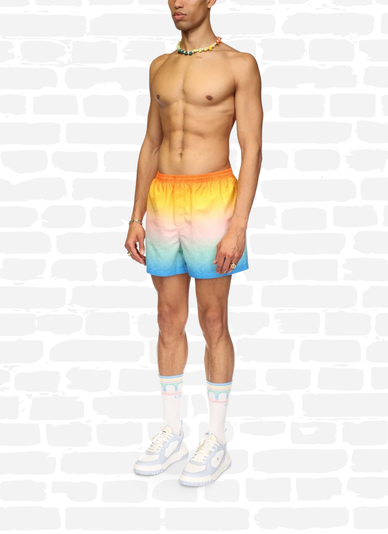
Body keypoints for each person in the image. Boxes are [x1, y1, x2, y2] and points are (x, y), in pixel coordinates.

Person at [125, 0, 263, 487]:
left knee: (213, 318)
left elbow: (252, 146)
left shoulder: (239, 64)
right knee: (167, 316)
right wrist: (135, 215)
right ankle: (171, 431)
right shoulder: (159, 67)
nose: (177, 3)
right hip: (163, 197)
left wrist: (239, 224)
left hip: (213, 197)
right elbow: (151, 142)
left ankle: (217, 439)